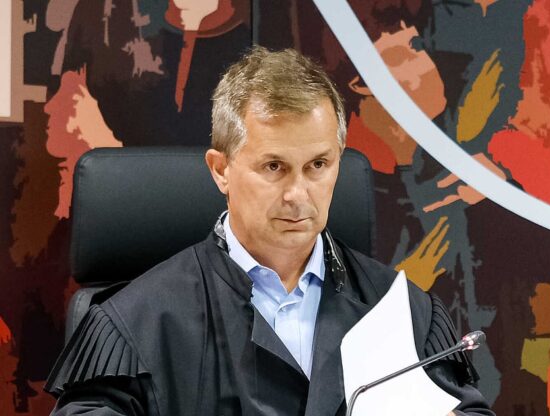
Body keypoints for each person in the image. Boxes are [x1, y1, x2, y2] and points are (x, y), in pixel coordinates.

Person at [44, 47, 494, 415]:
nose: (298, 194)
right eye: (274, 167)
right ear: (221, 170)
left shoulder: (402, 311)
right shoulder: (134, 322)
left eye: (318, 165)